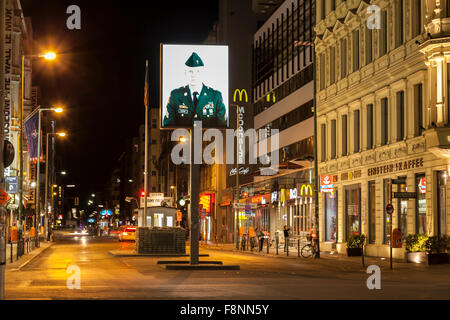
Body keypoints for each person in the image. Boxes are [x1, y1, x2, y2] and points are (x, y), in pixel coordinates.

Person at [163, 52, 227, 127]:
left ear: (203, 73)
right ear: (185, 73)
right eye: (190, 71)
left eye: (197, 71)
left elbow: (223, 126)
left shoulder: (215, 96)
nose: (194, 75)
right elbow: (168, 125)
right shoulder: (176, 95)